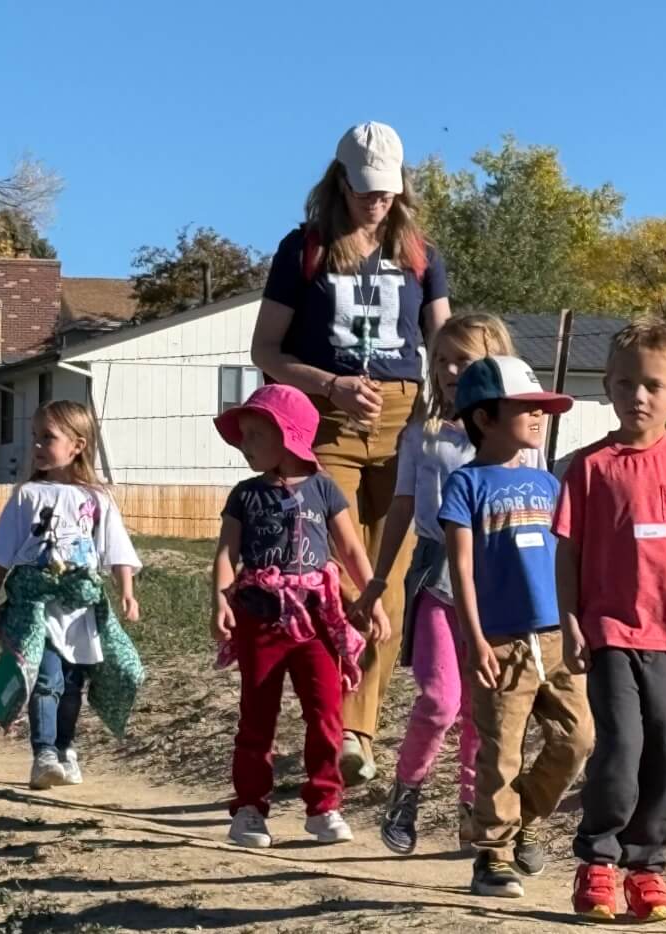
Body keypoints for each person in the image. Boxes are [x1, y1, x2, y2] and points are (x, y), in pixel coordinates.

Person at [250, 121, 451, 786]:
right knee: (332, 566)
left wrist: (456, 409)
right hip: (326, 422)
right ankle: (329, 716)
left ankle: (356, 732)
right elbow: (267, 352)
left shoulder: (421, 253)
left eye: (387, 193)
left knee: (388, 576)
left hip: (404, 422)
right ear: (340, 182)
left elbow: (444, 343)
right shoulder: (302, 250)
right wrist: (329, 383)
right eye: (366, 191)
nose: (376, 203)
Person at [554, 322, 666, 922]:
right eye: (625, 383)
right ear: (606, 386)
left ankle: (648, 869)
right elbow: (568, 550)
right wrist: (570, 620)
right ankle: (598, 859)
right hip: (609, 632)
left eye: (653, 385)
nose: (638, 396)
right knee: (622, 745)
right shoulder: (589, 466)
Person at [351, 313, 542, 855]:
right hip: (438, 581)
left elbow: (537, 508)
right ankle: (406, 791)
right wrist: (379, 576)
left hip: (500, 585)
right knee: (440, 700)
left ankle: (473, 810)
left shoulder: (524, 438)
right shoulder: (423, 434)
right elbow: (403, 505)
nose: (450, 370)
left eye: (463, 359)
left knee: (486, 710)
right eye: (441, 361)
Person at [439, 356, 594, 899]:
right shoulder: (466, 483)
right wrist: (475, 637)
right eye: (526, 408)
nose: (538, 417)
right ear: (485, 418)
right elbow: (460, 568)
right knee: (501, 750)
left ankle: (520, 819)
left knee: (578, 739)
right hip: (499, 642)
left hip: (554, 636)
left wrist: (575, 625)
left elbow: (565, 556)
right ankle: (493, 857)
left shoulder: (547, 481)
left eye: (541, 409)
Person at [211, 384, 390, 848]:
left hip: (316, 619)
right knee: (257, 714)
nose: (244, 444)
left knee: (326, 712)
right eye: (243, 434)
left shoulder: (324, 488)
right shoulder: (245, 495)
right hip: (261, 616)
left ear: (289, 436)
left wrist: (373, 598)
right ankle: (250, 807)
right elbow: (227, 552)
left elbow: (350, 547)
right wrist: (221, 599)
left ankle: (325, 806)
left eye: (254, 434)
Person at [0, 400, 142, 789]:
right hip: (37, 607)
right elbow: (2, 553)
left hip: (80, 609)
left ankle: (66, 748)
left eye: (47, 437)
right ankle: (44, 753)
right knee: (46, 677)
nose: (36, 445)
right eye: (34, 437)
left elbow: (116, 550)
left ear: (77, 445)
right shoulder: (28, 496)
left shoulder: (98, 498)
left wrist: (127, 592)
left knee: (73, 683)